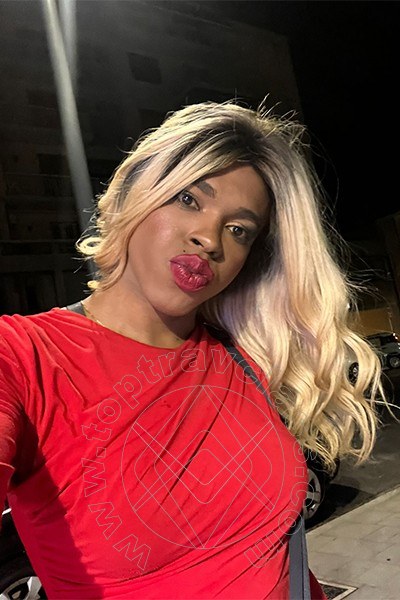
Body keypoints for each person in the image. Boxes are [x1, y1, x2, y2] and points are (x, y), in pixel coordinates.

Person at [0, 101, 389, 599]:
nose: (209, 239)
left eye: (239, 230)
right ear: (132, 194)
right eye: (188, 199)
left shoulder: (243, 355)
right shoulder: (24, 357)